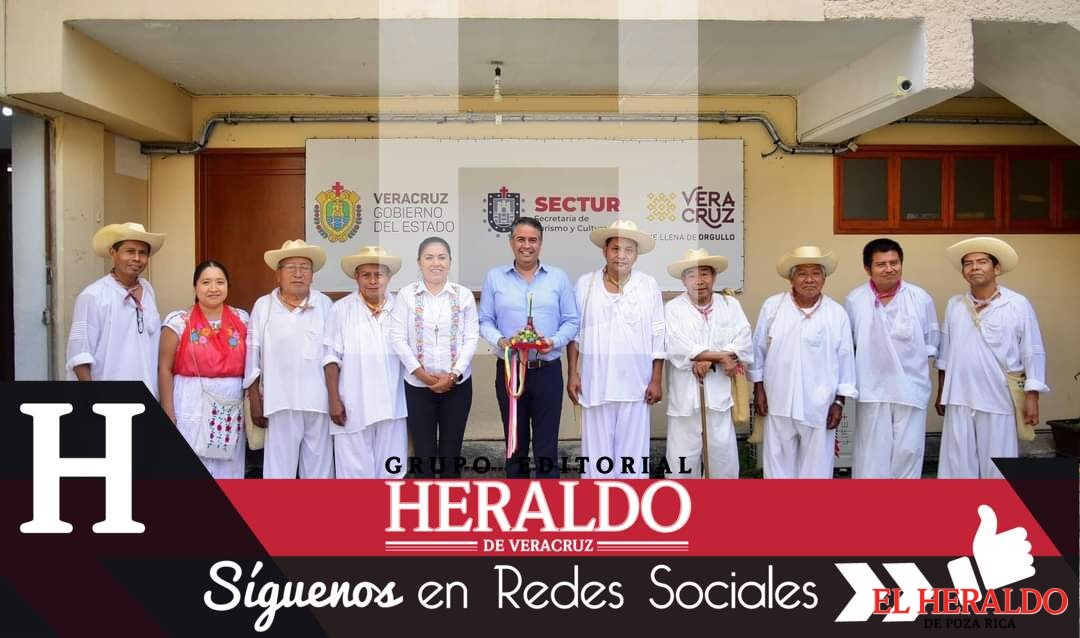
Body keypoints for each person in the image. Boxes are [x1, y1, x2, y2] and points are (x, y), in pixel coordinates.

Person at [935, 237, 1048, 479]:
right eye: (968, 263)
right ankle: (955, 515)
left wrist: (1032, 395)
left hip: (998, 397)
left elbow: (1032, 350)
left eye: (982, 261)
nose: (974, 267)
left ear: (996, 268)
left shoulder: (1016, 304)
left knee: (998, 466)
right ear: (963, 272)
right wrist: (942, 393)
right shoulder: (955, 305)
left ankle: (997, 514)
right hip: (959, 398)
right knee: (956, 466)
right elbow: (945, 354)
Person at [478, 217, 580, 478]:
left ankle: (548, 509)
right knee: (515, 445)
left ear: (541, 244)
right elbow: (485, 321)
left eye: (532, 240)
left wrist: (554, 341)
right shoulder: (495, 277)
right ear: (511, 242)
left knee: (547, 447)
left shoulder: (558, 278)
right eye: (521, 239)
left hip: (546, 371)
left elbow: (572, 321)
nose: (527, 245)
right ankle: (517, 509)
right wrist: (501, 341)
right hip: (510, 371)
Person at [567, 219, 665, 479]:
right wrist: (572, 374)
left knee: (632, 459)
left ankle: (631, 511)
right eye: (615, 249)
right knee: (596, 459)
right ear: (604, 251)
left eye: (628, 250)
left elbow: (658, 335)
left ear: (636, 254)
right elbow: (574, 334)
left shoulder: (648, 285)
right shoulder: (586, 284)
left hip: (636, 384)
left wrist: (656, 379)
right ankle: (599, 513)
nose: (621, 255)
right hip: (595, 382)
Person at [750, 246, 857, 479]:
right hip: (778, 401)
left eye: (816, 273)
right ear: (791, 278)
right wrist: (758, 389)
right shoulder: (773, 307)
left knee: (816, 470)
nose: (809, 279)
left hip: (819, 404)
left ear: (824, 278)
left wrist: (839, 402)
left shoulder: (836, 313)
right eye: (802, 273)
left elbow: (846, 360)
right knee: (777, 468)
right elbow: (758, 351)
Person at [845, 238, 939, 479]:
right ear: (868, 269)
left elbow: (931, 343)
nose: (889, 268)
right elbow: (849, 345)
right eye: (881, 264)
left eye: (894, 262)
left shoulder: (920, 298)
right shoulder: (855, 300)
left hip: (911, 388)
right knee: (871, 455)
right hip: (872, 389)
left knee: (908, 452)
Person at [389, 237, 479, 478]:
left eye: (442, 257)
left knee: (451, 454)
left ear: (450, 262)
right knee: (423, 454)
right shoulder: (407, 296)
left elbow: (472, 338)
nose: (435, 263)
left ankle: (451, 510)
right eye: (429, 257)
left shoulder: (463, 295)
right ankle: (425, 510)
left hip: (457, 387)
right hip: (418, 387)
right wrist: (423, 376)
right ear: (419, 262)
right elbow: (397, 338)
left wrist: (453, 375)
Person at [244, 239, 334, 479]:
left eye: (304, 267)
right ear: (278, 275)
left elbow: (333, 356)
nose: (298, 274)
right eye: (291, 267)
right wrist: (255, 400)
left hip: (319, 403)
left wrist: (336, 399)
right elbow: (252, 355)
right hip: (279, 401)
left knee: (319, 472)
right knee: (278, 472)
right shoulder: (264, 306)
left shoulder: (325, 304)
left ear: (312, 275)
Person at [664, 248, 752, 479]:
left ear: (714, 277)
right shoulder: (672, 309)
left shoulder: (730, 305)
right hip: (685, 400)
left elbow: (743, 342)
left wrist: (708, 359)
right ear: (684, 280)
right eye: (692, 275)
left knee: (723, 461)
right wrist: (718, 357)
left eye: (705, 274)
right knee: (681, 463)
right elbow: (676, 346)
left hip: (719, 398)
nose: (699, 281)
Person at [158, 261, 250, 478]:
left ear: (228, 286)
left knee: (227, 462)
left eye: (220, 282)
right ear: (195, 287)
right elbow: (164, 368)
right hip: (190, 401)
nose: (214, 288)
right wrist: (168, 413)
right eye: (206, 282)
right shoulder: (179, 321)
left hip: (229, 403)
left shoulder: (242, 319)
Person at [323, 246, 408, 479]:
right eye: (366, 275)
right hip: (352, 406)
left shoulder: (402, 307)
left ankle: (386, 516)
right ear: (356, 277)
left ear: (389, 277)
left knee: (392, 473)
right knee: (353, 476)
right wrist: (334, 400)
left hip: (392, 405)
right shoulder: (340, 309)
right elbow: (330, 358)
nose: (373, 281)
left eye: (378, 275)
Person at [66, 222, 166, 397]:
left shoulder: (148, 290)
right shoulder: (93, 296)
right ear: (113, 253)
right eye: (130, 251)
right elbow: (80, 357)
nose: (137, 258)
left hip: (148, 394)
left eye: (142, 253)